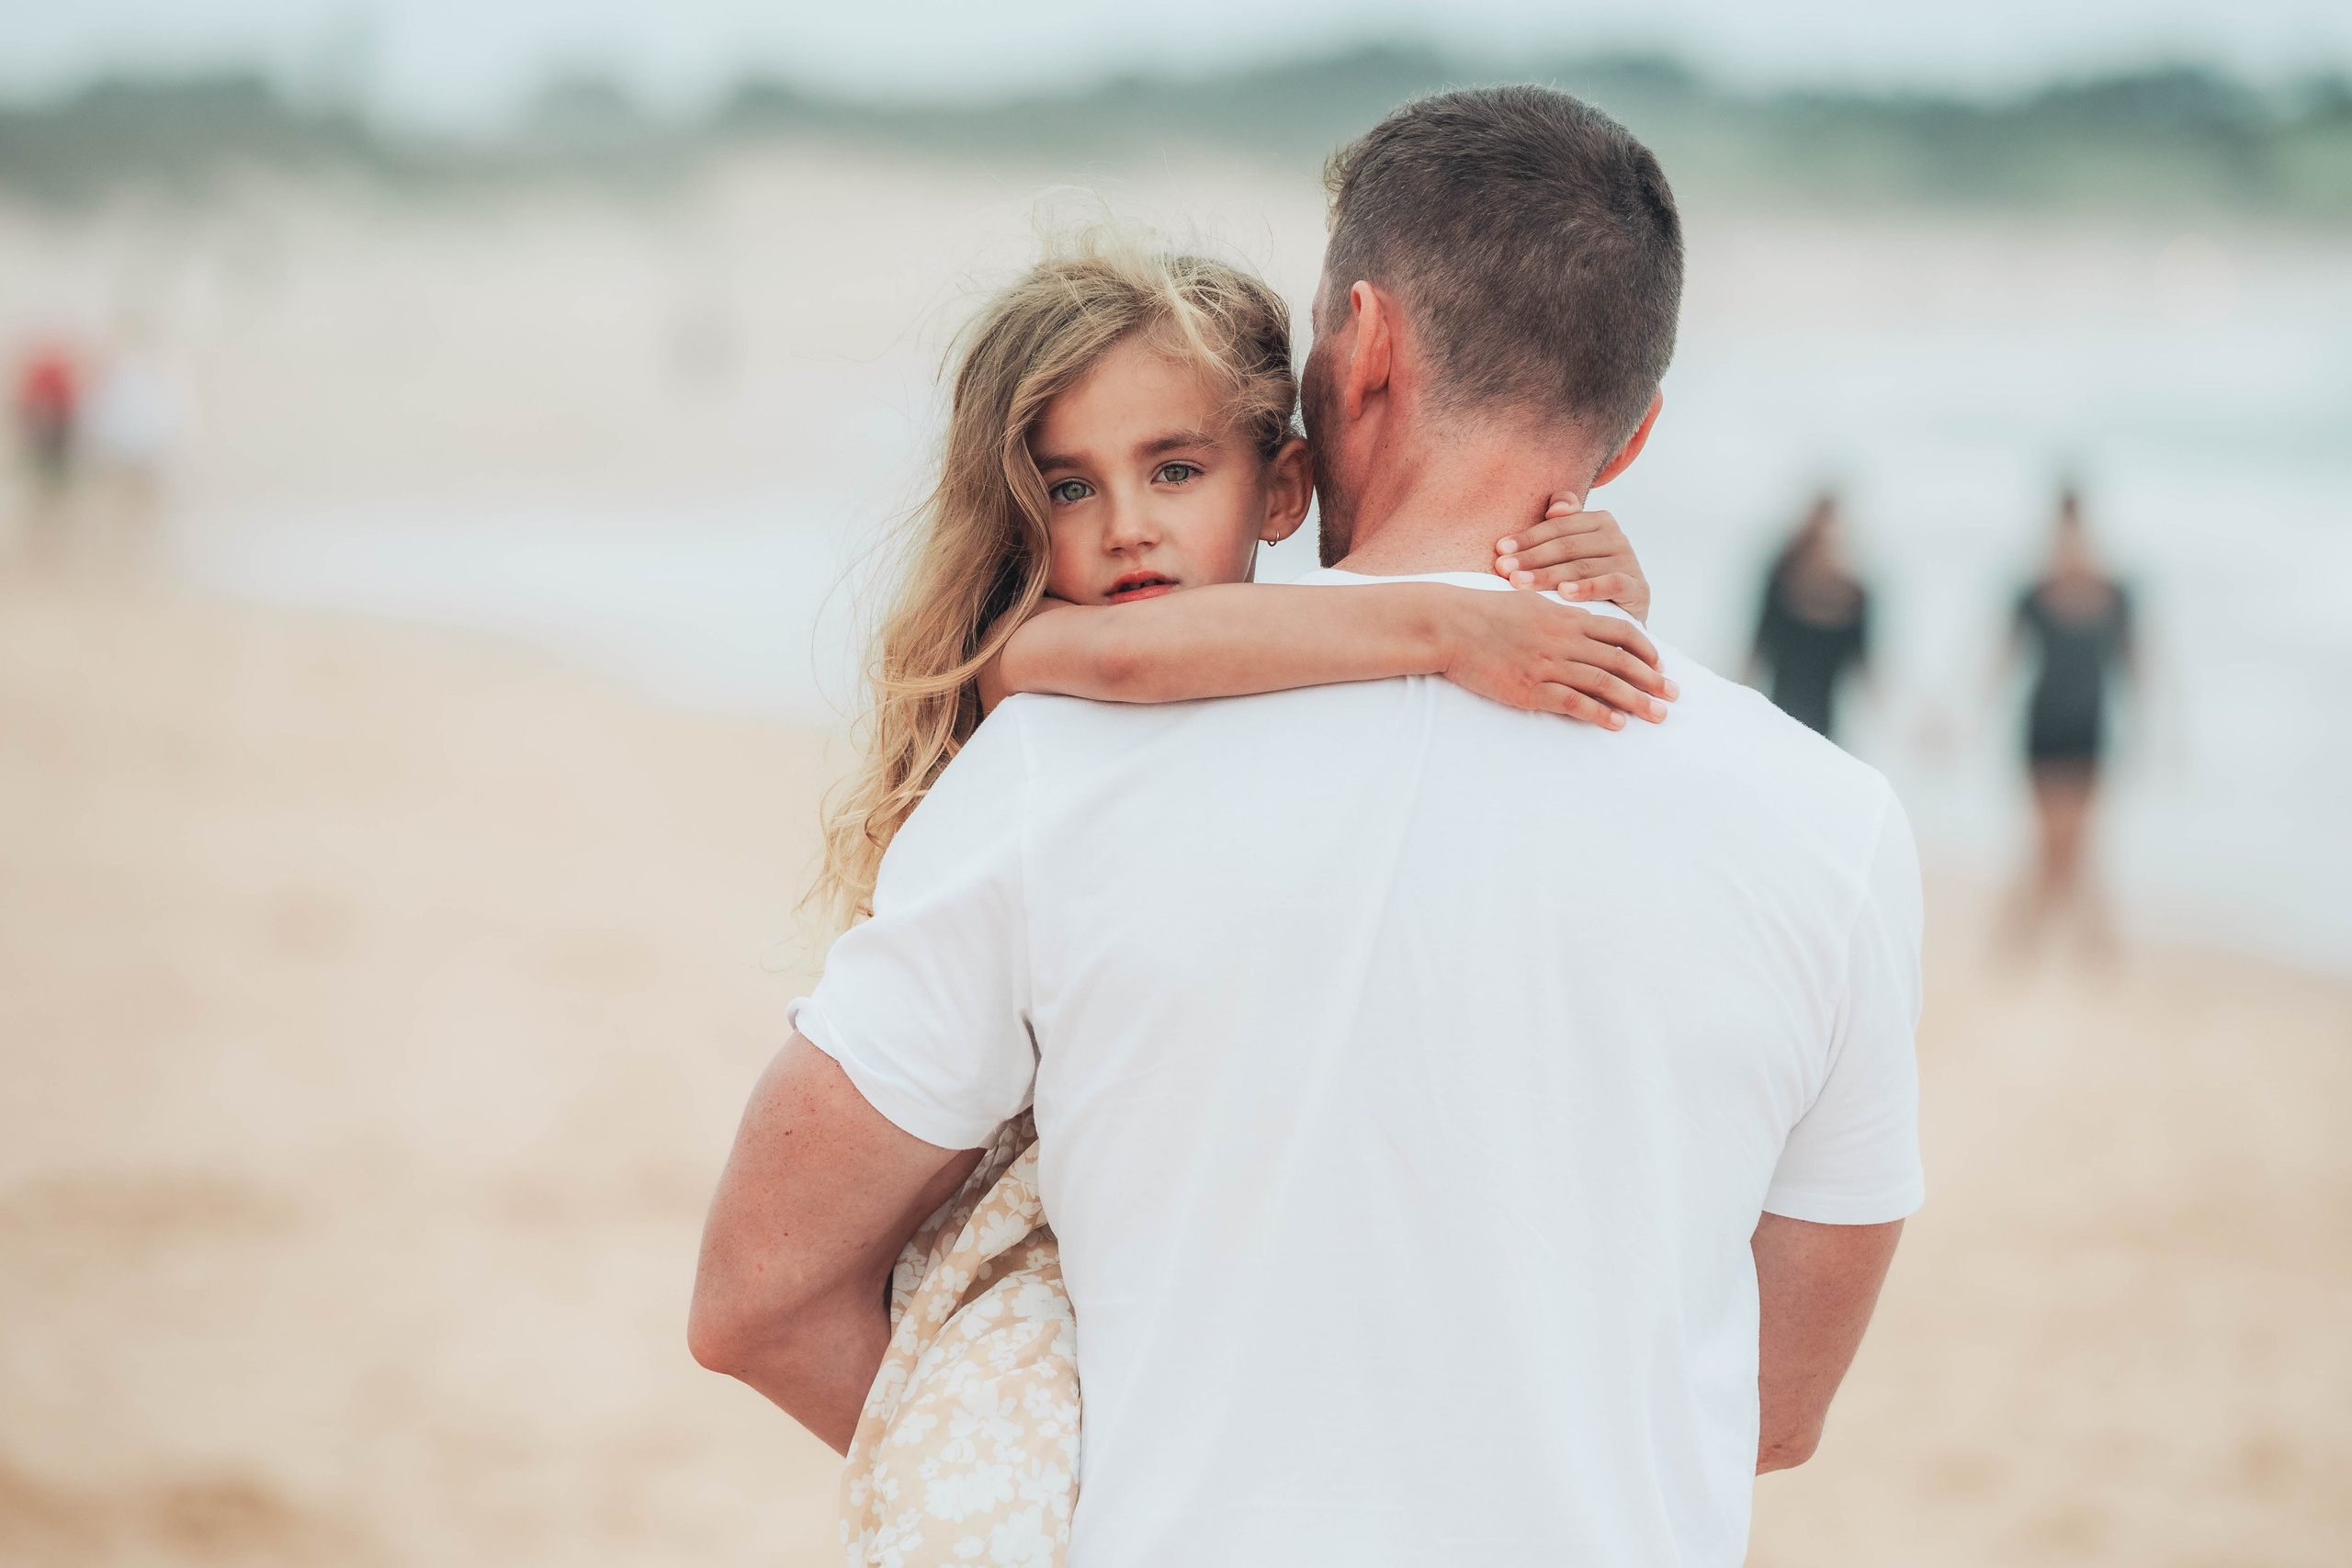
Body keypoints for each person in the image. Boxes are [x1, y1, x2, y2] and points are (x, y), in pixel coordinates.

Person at [694, 86, 1923, 1568]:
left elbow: (758, 1293)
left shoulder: (1063, 766)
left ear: (1368, 341)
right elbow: (1773, 1410)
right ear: (1638, 430)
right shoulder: (1834, 828)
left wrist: (1033, 1485)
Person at [788, 236, 1672, 1567]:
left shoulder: (1285, 654)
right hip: (1016, 1221)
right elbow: (1152, 660)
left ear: (1284, 487)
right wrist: (1451, 623)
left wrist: (1577, 583)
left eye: (1175, 469)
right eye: (1068, 485)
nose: (1124, 525)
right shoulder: (1042, 659)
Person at [2001, 488, 2136, 958]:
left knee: (2076, 841)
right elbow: (2001, 660)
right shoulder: (2032, 594)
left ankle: (2032, 940)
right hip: (2042, 727)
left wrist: (2159, 732)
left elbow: (2137, 665)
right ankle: (2081, 944)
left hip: (2091, 729)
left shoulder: (2117, 594)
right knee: (2051, 841)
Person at [1747, 490, 1871, 740]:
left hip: (1827, 729)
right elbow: (1755, 650)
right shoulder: (1781, 579)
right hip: (1777, 719)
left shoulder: (1856, 595)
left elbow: (1866, 670)